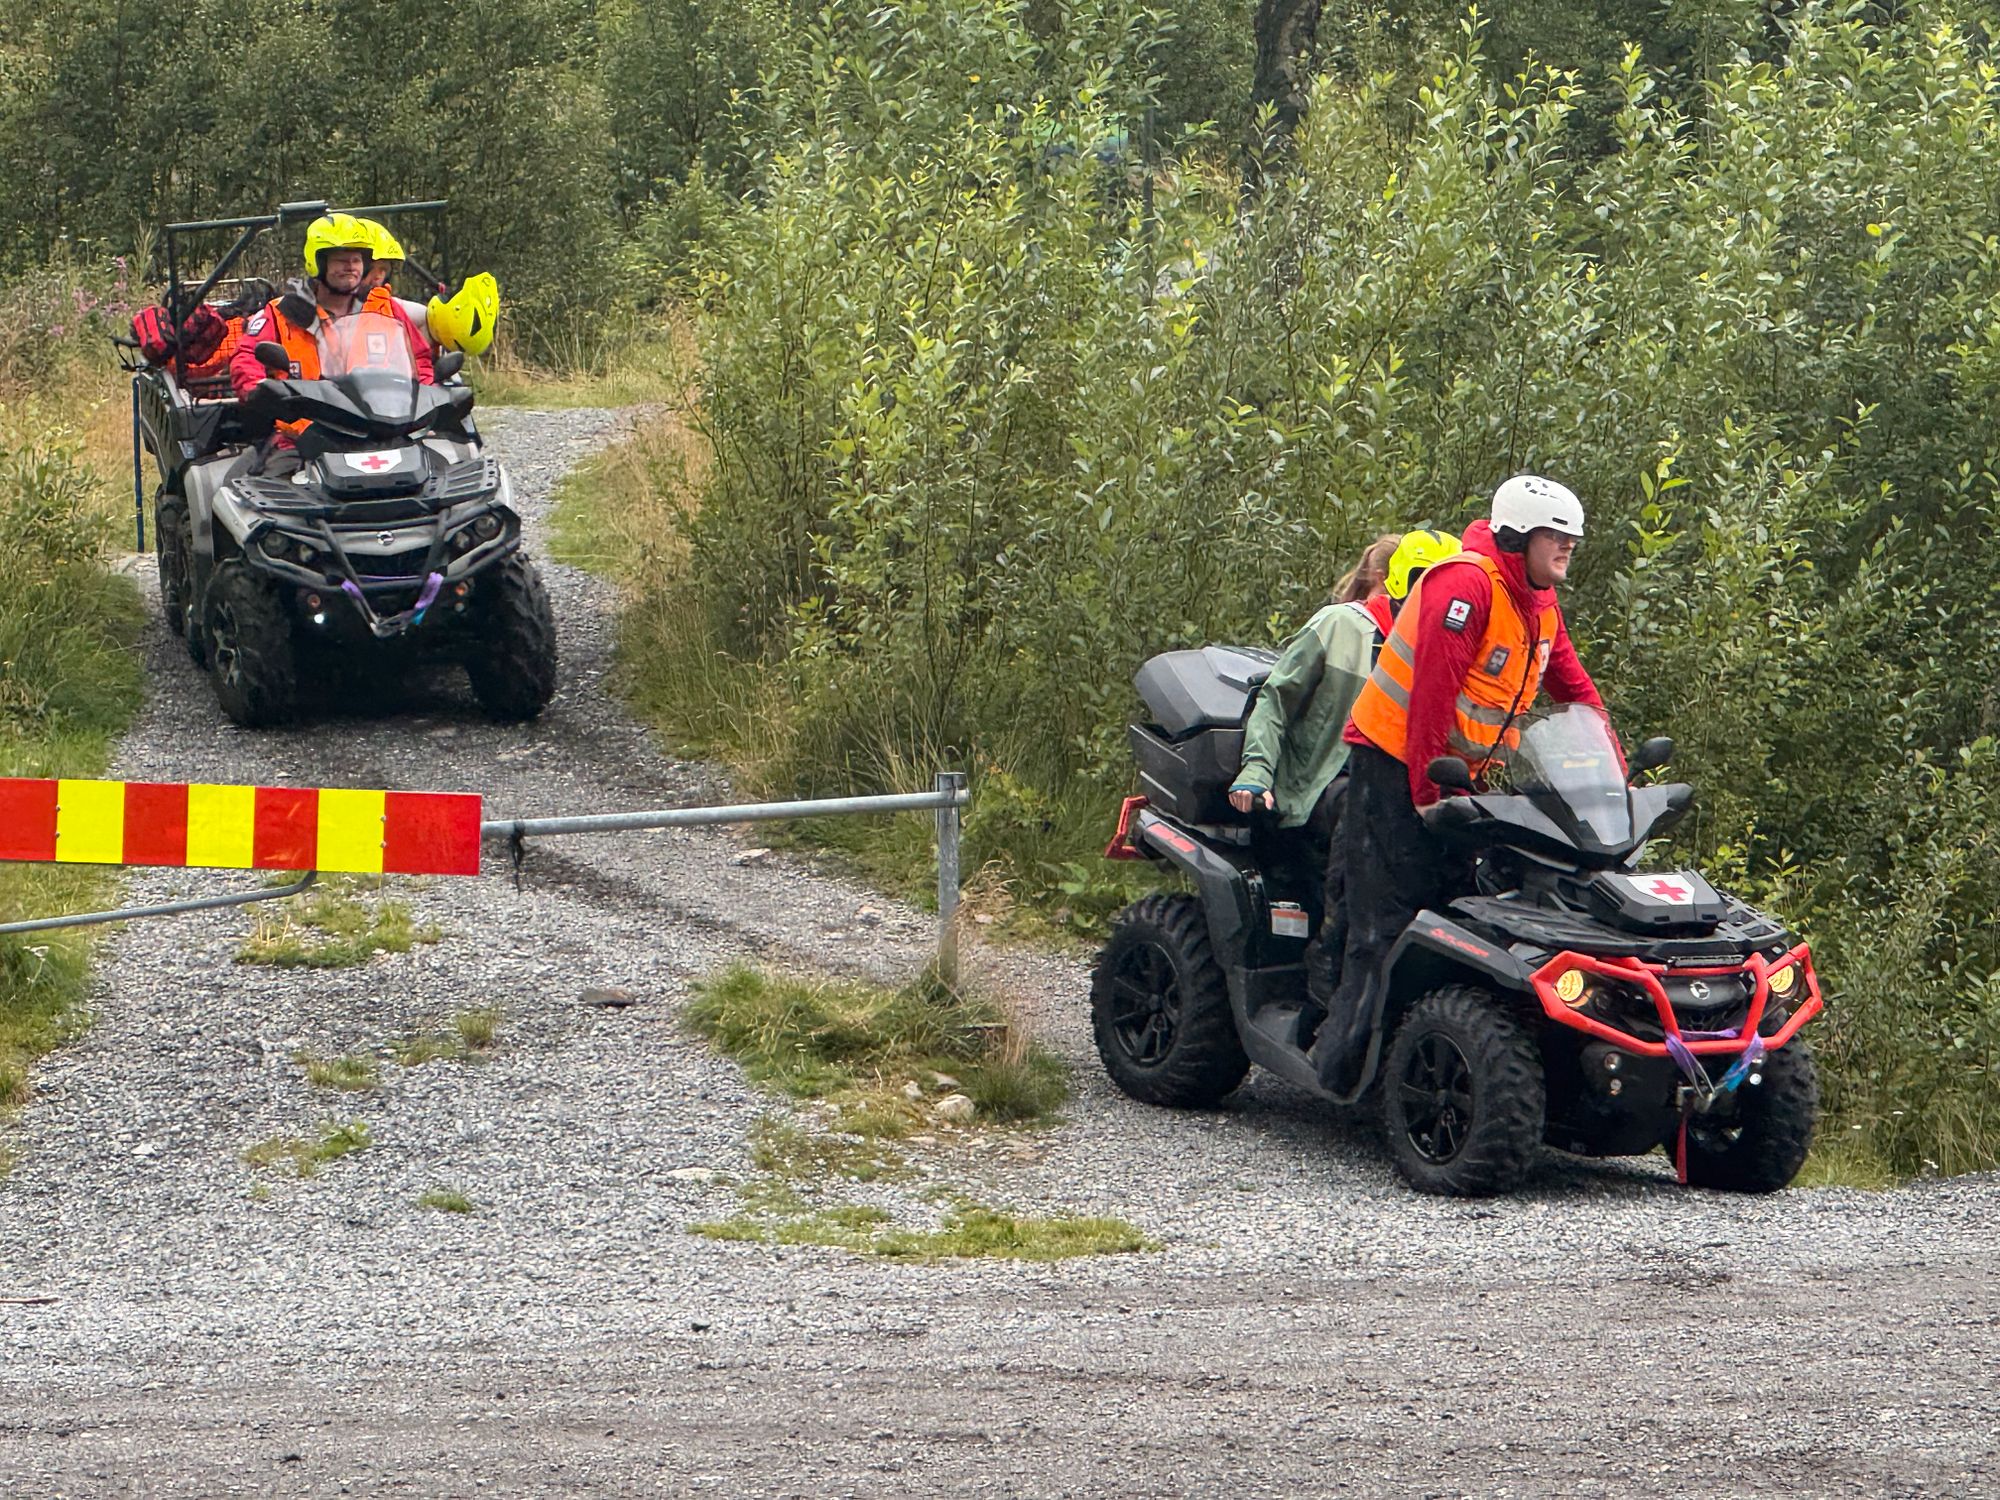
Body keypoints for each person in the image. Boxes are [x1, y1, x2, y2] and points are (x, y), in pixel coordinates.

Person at [1312, 475, 1608, 1093]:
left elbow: (1574, 689)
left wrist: (1612, 771)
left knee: (1458, 912)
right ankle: (1337, 1067)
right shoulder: (1467, 585)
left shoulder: (1539, 603)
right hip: (1394, 767)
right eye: (1558, 536)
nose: (1569, 547)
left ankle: (1433, 1060)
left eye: (1572, 537)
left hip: (1456, 778)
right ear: (1521, 536)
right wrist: (1427, 793)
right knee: (1384, 919)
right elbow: (1431, 699)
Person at [1227, 527, 1461, 1018]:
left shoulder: (1433, 649)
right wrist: (1255, 772)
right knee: (1364, 811)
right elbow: (1274, 699)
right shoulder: (1340, 626)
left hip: (1389, 787)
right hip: (1318, 789)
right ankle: (1331, 957)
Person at [229, 213, 434, 466]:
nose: (350, 267)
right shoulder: (281, 312)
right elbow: (246, 356)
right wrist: (259, 391)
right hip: (302, 440)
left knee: (441, 476)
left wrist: (424, 408)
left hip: (383, 434)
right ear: (318, 263)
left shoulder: (385, 308)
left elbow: (420, 359)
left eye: (356, 259)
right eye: (340, 260)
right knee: (260, 492)